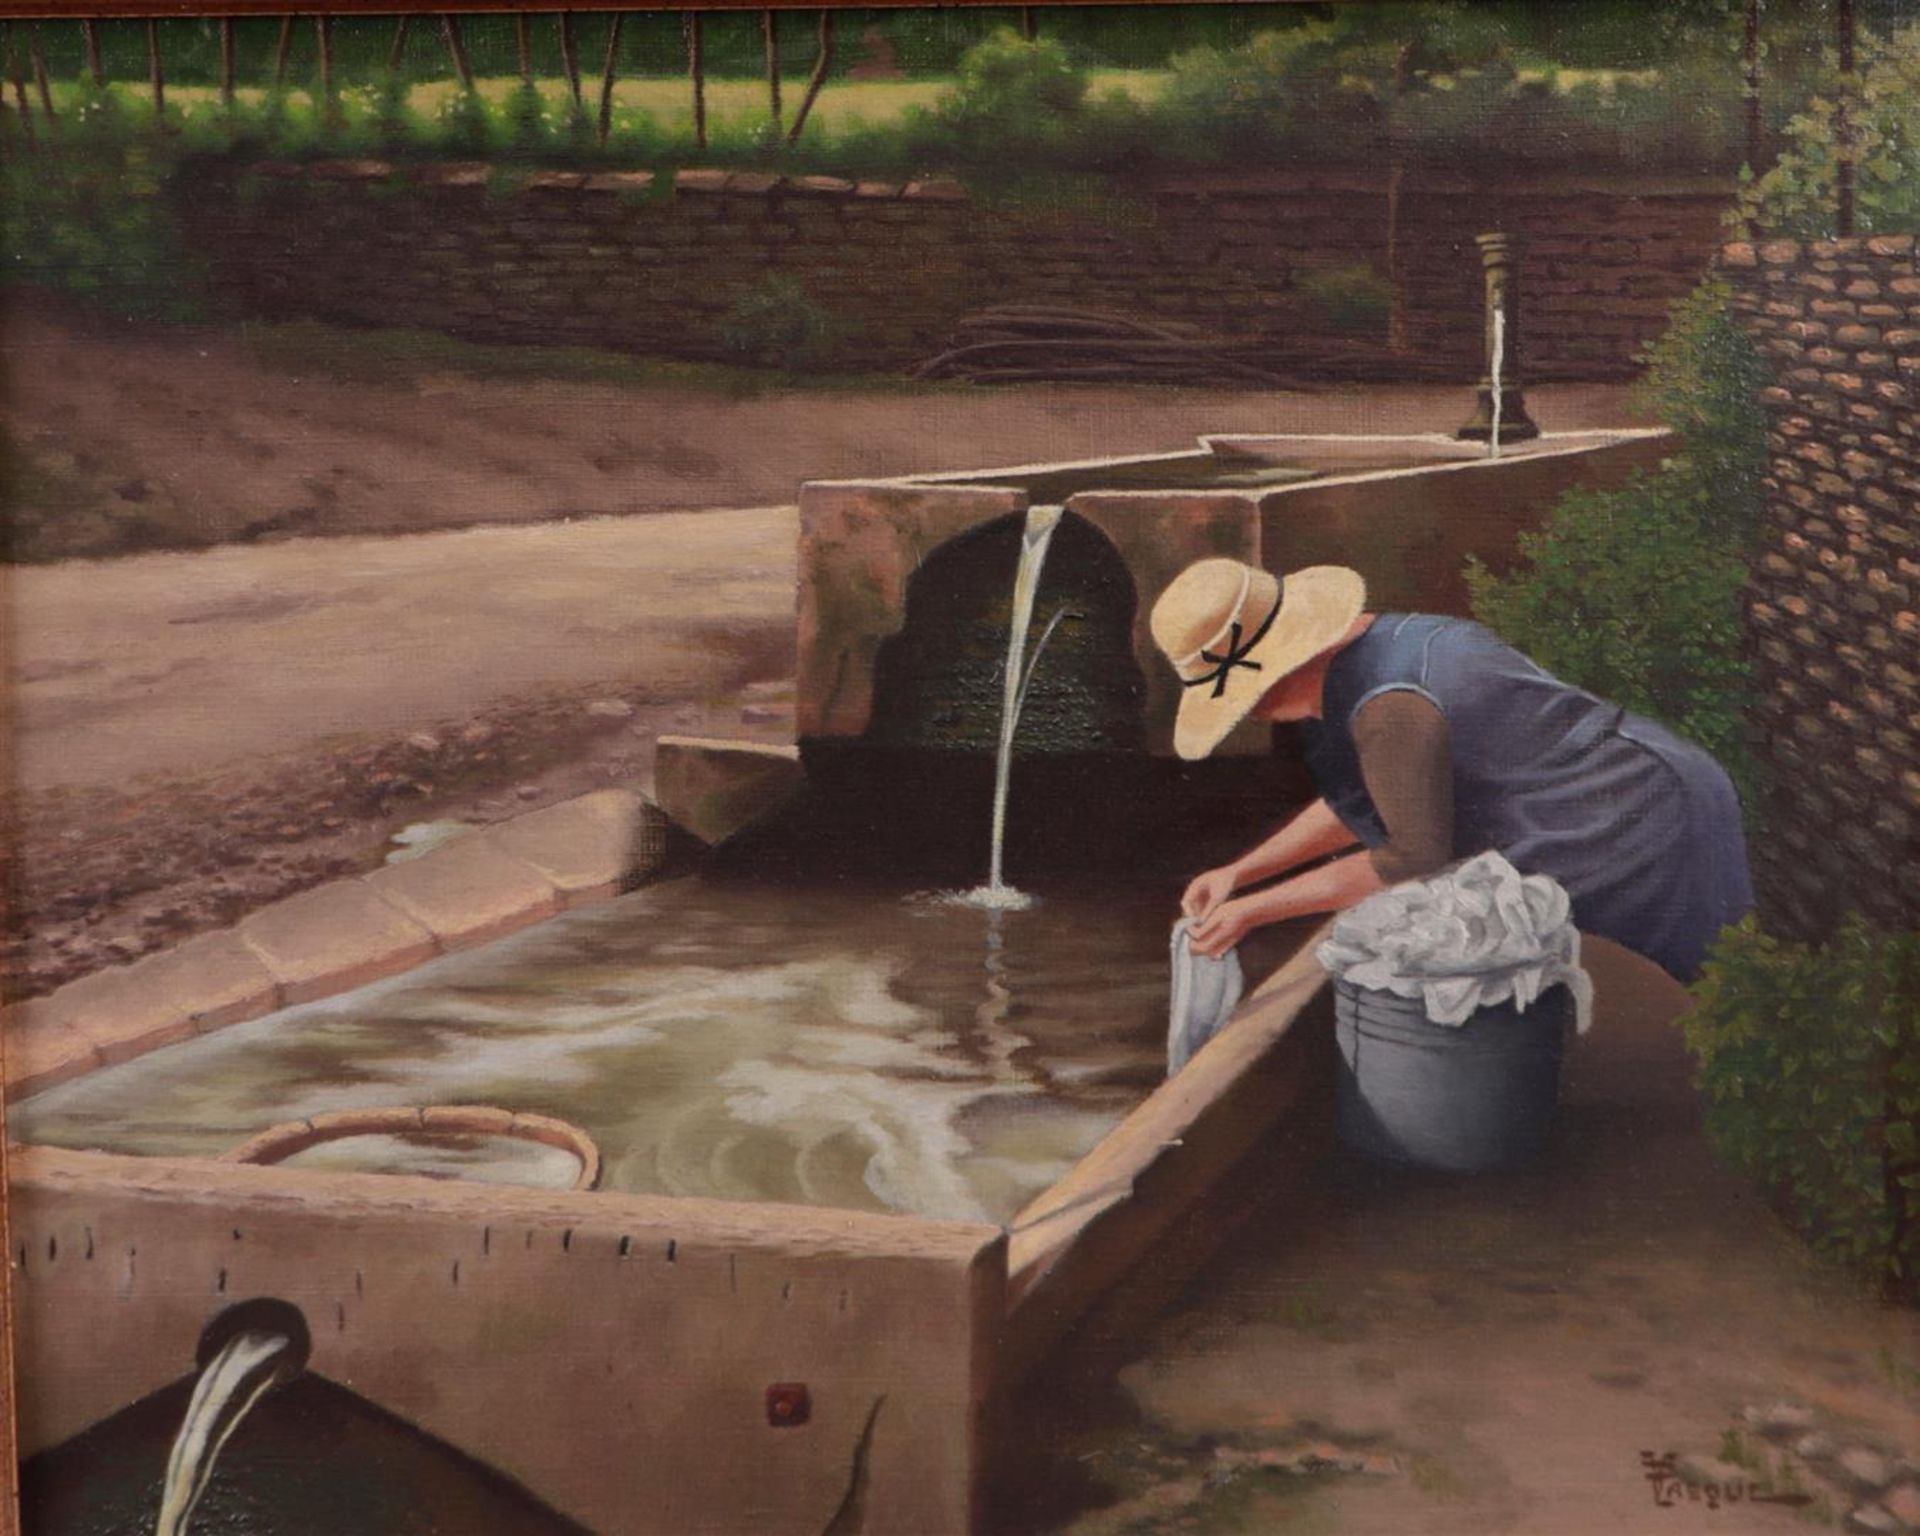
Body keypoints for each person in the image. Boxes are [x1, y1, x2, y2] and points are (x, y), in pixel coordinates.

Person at [1154, 558, 1753, 983]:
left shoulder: (1390, 709)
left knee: (1697, 984)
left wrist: (1253, 911)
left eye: (1244, 699)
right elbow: (1368, 800)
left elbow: (1410, 856)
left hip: (1635, 813)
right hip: (1605, 791)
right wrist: (1242, 872)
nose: (1251, 714)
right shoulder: (1370, 655)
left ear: (1280, 669)